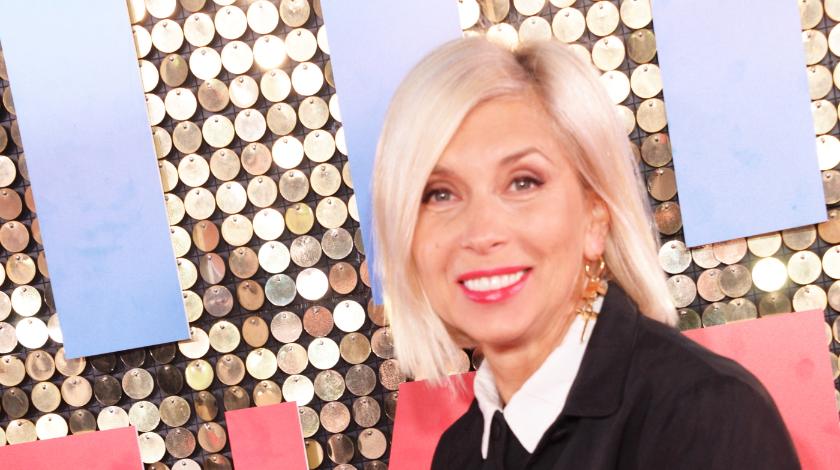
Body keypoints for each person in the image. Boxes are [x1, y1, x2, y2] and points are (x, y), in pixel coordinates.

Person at [370, 36, 800, 469]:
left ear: (595, 216)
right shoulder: (457, 454)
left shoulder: (706, 418)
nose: (481, 232)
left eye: (523, 182)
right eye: (440, 193)